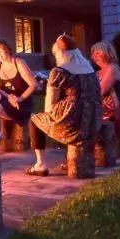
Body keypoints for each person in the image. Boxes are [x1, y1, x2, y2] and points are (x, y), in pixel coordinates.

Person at [25, 33, 102, 176]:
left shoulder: (59, 71)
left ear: (59, 52)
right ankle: (69, 160)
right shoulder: (90, 68)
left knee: (35, 120)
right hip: (94, 122)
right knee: (68, 115)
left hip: (75, 127)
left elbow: (49, 106)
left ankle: (40, 165)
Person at [0, 40, 37, 158]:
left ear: (8, 50)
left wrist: (19, 99)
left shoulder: (18, 63)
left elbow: (33, 85)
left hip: (21, 104)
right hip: (6, 102)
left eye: (1, 52)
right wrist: (8, 96)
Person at [90, 41, 120, 123]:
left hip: (112, 115)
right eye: (93, 53)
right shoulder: (97, 72)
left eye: (97, 53)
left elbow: (100, 91)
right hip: (99, 113)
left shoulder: (112, 69)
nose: (94, 56)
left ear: (107, 54)